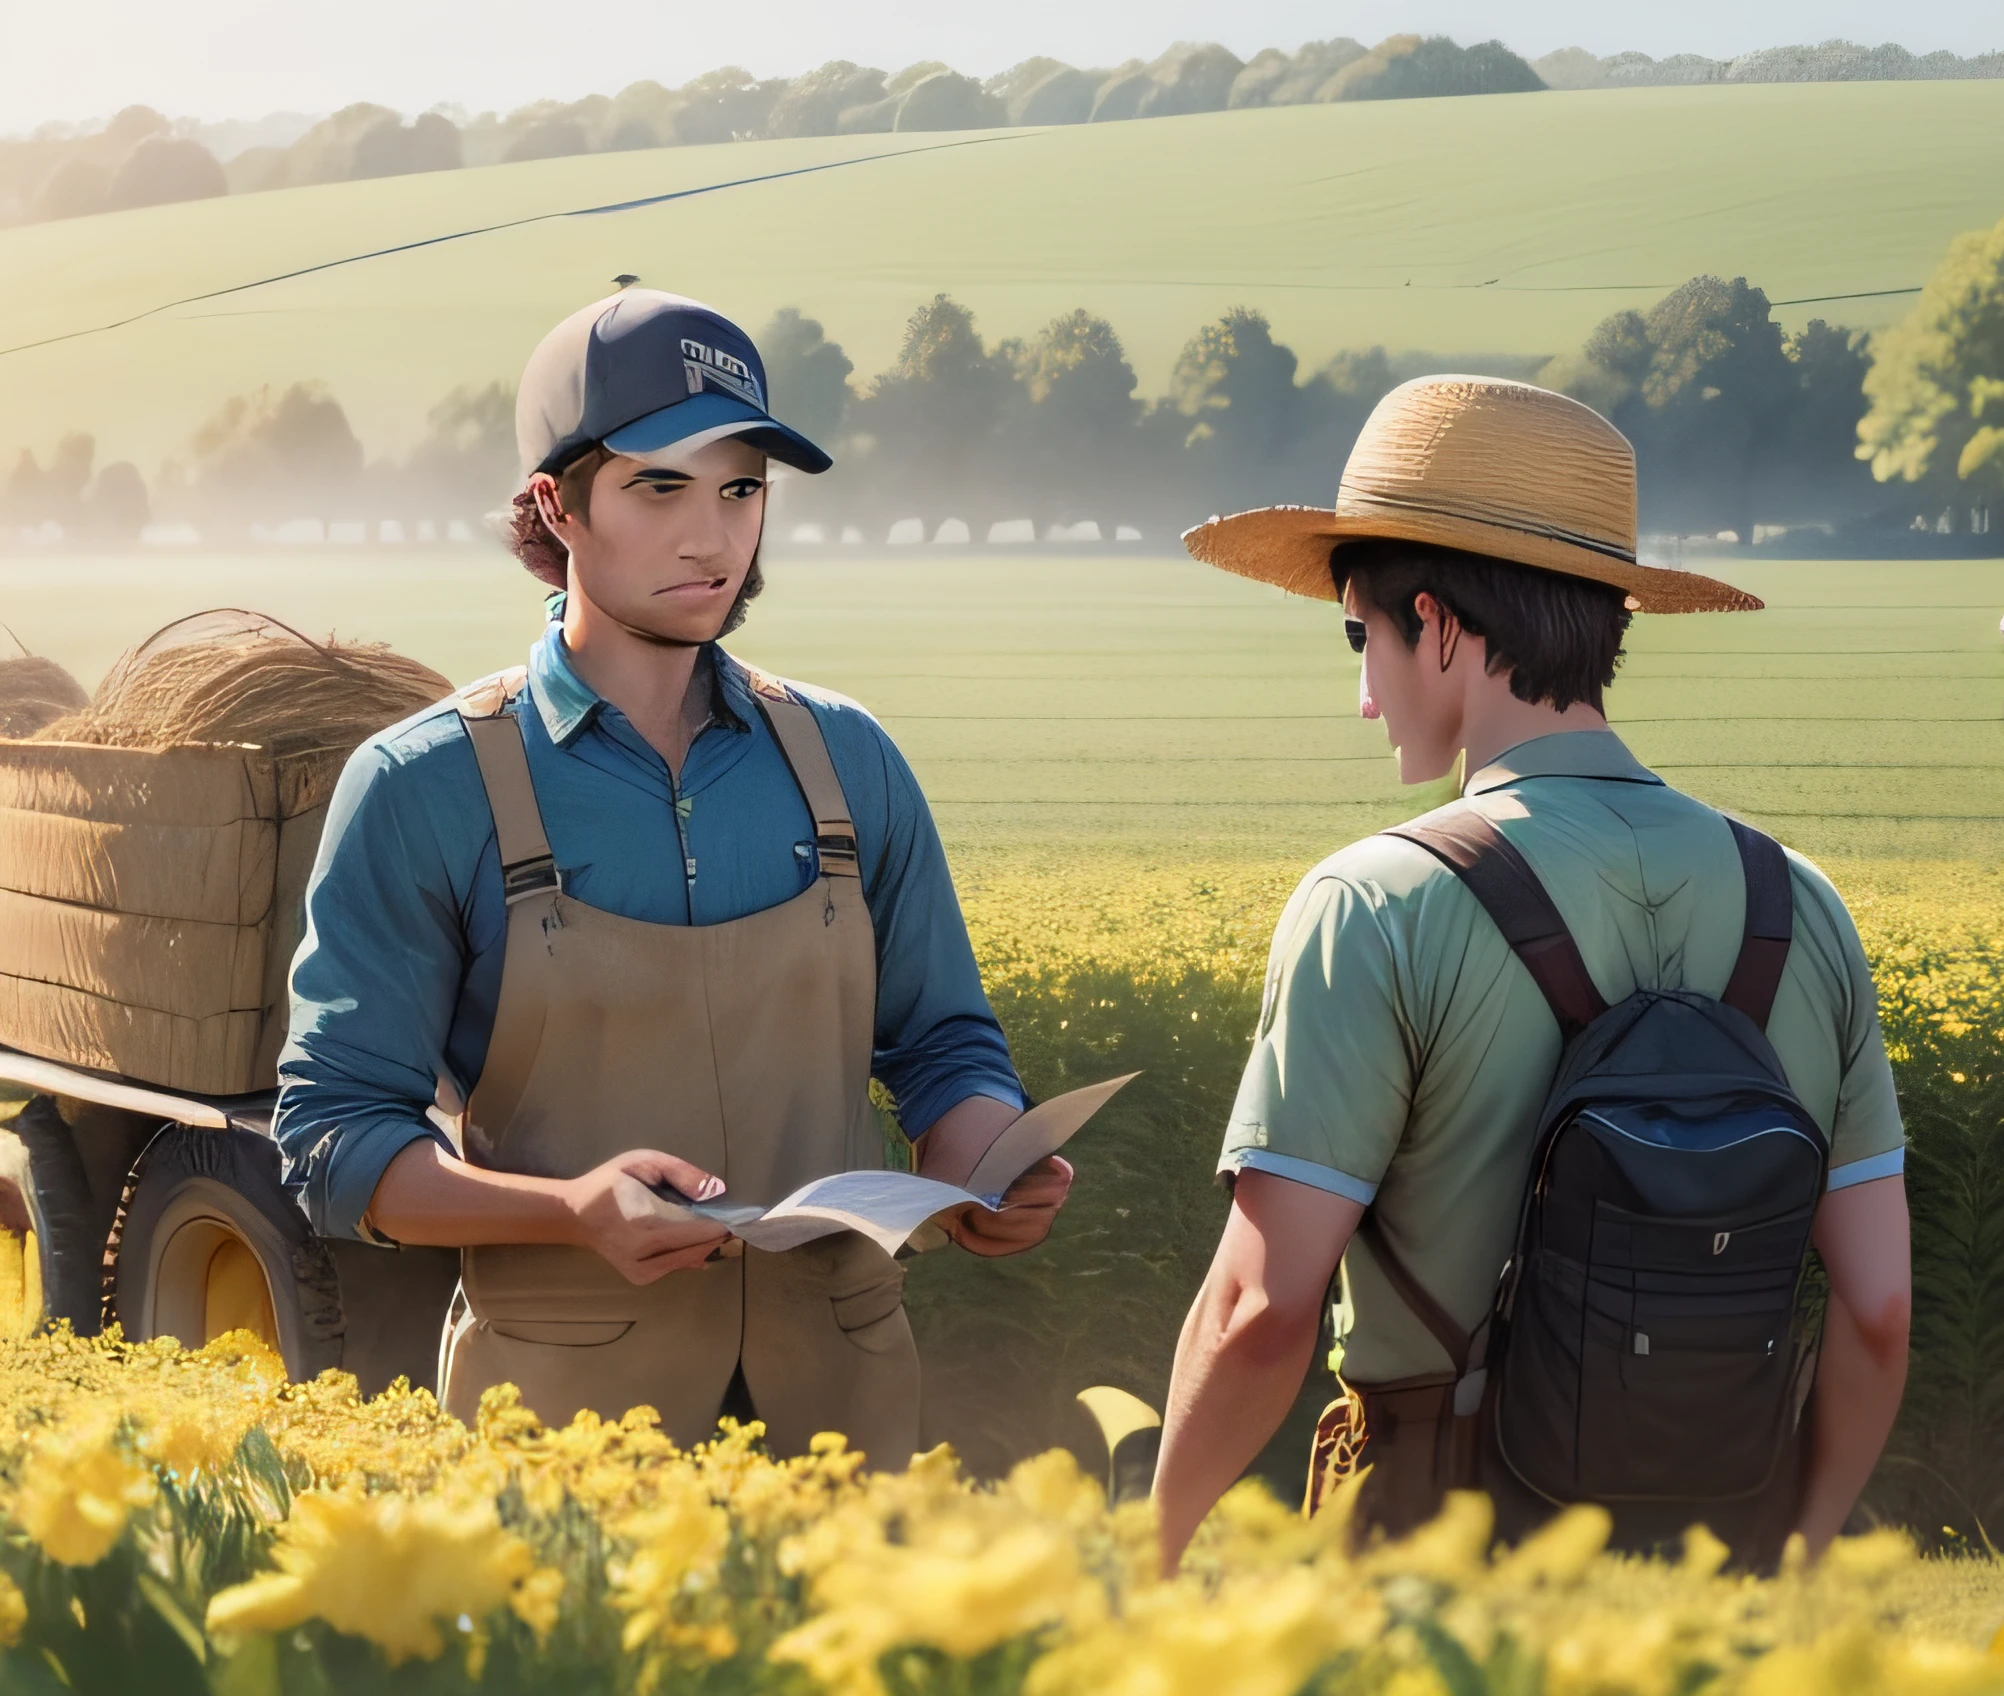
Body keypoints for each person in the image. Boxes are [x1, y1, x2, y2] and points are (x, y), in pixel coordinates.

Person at [273, 287, 1070, 1463]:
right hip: (559, 1442)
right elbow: (332, 1139)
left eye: (742, 487)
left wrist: (983, 1165)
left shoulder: (851, 760)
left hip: (843, 1428)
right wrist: (571, 1213)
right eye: (662, 486)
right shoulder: (420, 785)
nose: (715, 536)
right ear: (557, 501)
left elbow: (943, 1045)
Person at [1150, 376, 1911, 1570]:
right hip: (1716, 1571)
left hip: (1438, 1565)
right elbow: (1879, 1311)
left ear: (1440, 624)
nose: (1361, 694)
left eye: (1362, 635)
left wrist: (1147, 1555)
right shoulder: (1801, 907)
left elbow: (1258, 1314)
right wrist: (1798, 1563)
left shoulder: (1373, 905)